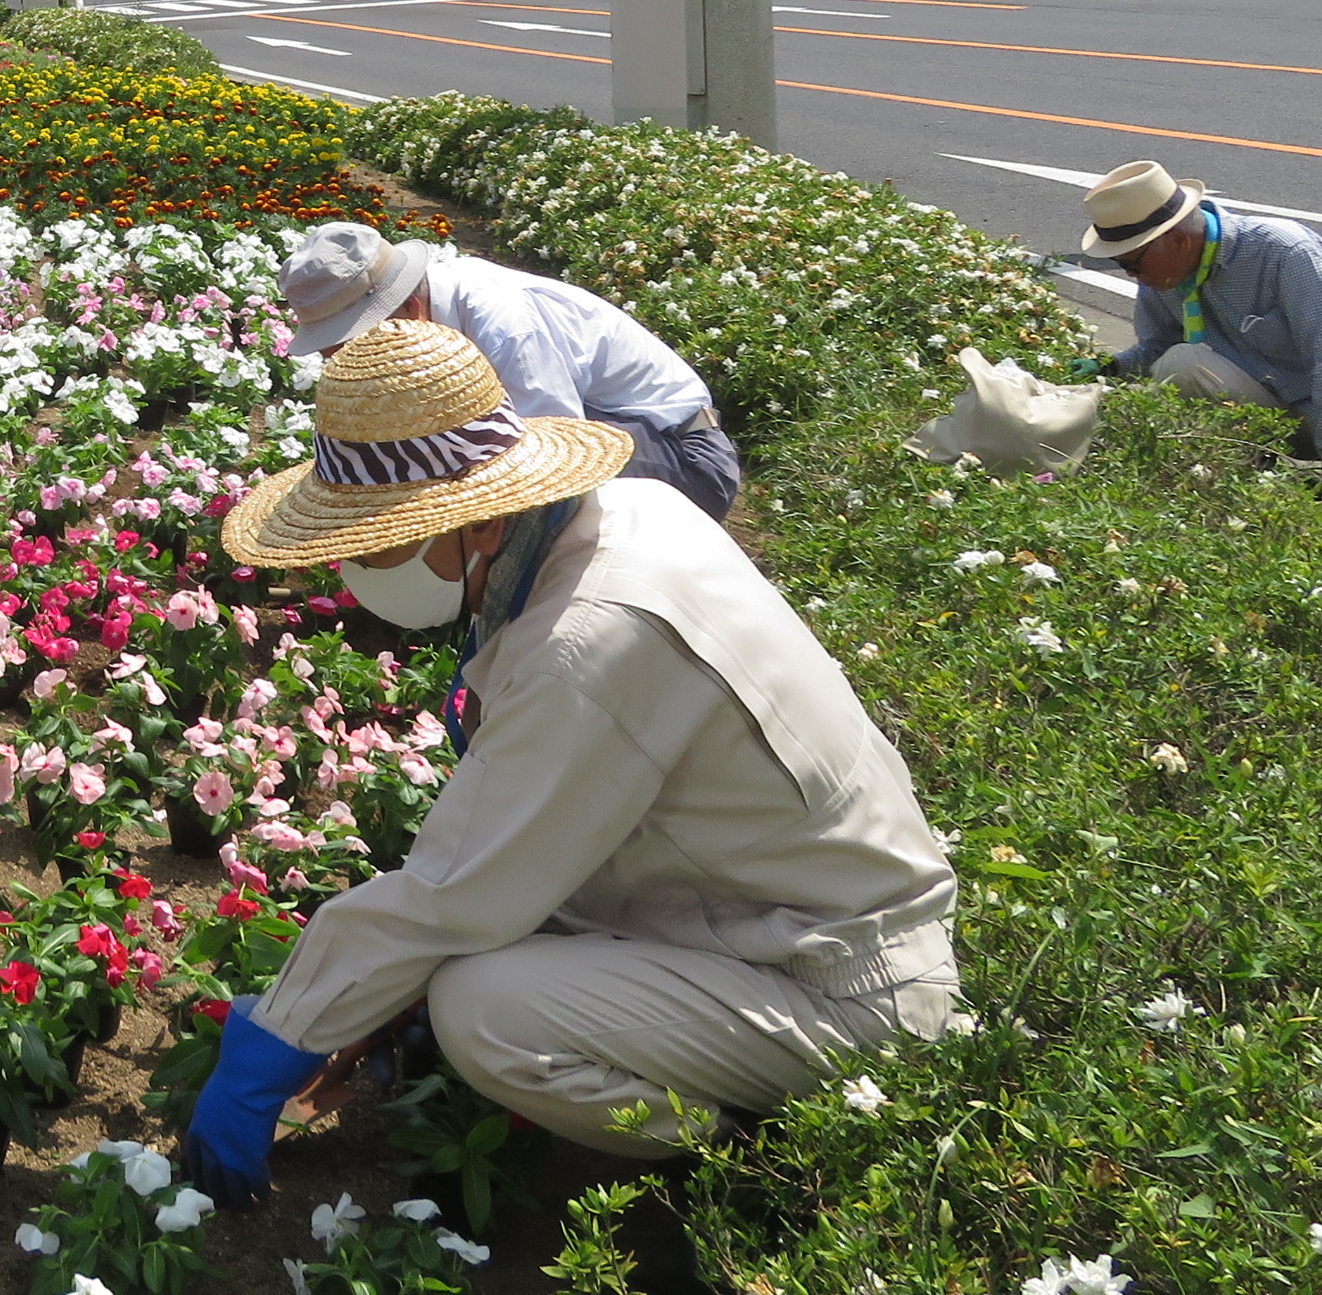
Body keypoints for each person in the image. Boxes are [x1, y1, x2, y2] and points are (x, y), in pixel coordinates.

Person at [179, 321, 958, 1199]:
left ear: (471, 524)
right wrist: (375, 996)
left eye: (378, 541)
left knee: (486, 1015)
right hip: (767, 912)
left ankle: (759, 1166)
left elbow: (454, 893)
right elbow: (526, 836)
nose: (358, 569)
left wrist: (278, 1041)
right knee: (460, 966)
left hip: (838, 987)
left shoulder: (589, 637)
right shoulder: (622, 513)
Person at [282, 221, 745, 520]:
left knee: (510, 493)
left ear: (408, 306)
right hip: (602, 431)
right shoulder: (429, 317)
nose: (341, 359)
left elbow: (555, 465)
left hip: (683, 458)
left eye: (350, 340)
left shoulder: (504, 327)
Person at [1083, 159, 1322, 515]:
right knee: (1180, 363)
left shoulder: (1284, 250)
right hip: (1272, 407)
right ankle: (1251, 473)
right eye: (1122, 265)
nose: (1132, 275)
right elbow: (1160, 347)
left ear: (1178, 240)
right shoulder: (1163, 275)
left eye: (1133, 263)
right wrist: (1110, 367)